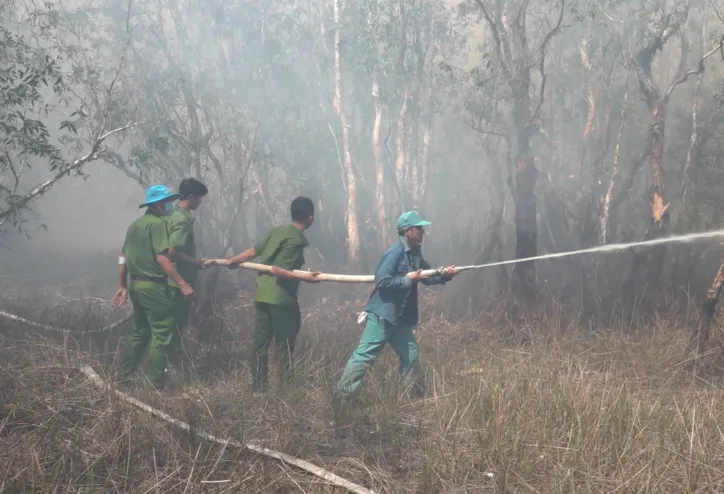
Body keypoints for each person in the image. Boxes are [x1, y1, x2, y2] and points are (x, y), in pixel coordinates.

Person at [333, 211, 457, 406]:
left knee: (411, 353)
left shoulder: (415, 253)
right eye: (419, 228)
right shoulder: (394, 253)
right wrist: (408, 280)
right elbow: (382, 281)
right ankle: (341, 399)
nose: (423, 232)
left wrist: (446, 274)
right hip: (383, 316)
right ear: (408, 231)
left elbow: (427, 276)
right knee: (364, 357)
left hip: (399, 319)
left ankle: (409, 398)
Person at [226, 196, 320, 393]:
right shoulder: (295, 240)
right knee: (284, 346)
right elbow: (278, 270)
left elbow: (253, 252)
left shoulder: (277, 232)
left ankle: (259, 390)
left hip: (262, 295)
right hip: (281, 299)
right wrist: (306, 278)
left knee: (260, 345)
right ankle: (284, 391)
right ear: (310, 218)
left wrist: (234, 260)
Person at [112, 185, 195, 390]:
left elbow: (122, 258)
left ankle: (124, 379)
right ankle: (155, 384)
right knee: (162, 333)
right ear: (158, 205)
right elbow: (162, 259)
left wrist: (122, 285)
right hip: (154, 287)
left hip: (136, 286)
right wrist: (183, 283)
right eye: (167, 202)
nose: (170, 206)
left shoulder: (134, 225)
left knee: (140, 333)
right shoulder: (157, 225)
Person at [166, 177, 208, 368]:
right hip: (179, 283)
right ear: (191, 197)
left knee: (171, 326)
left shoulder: (172, 215)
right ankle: (171, 367)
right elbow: (173, 252)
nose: (200, 202)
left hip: (173, 281)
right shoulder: (183, 221)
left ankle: (170, 364)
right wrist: (196, 262)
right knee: (175, 326)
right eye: (199, 198)